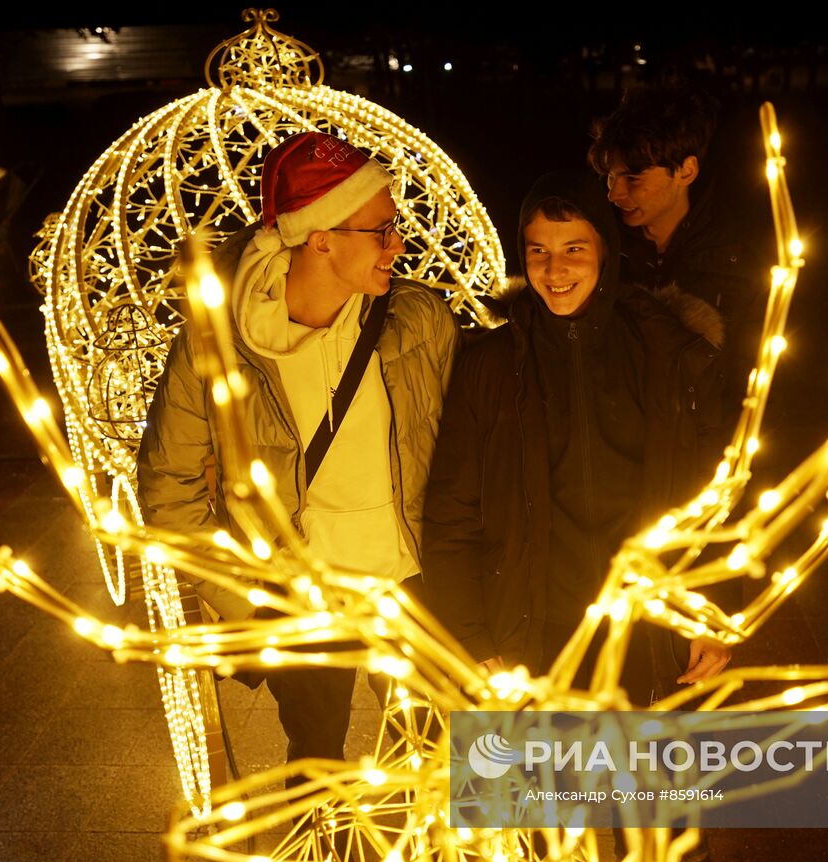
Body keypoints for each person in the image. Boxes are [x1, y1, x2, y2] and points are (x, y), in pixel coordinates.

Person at [137, 131, 459, 771]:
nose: (399, 244)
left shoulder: (418, 319)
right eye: (382, 230)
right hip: (300, 603)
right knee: (318, 761)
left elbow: (470, 449)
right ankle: (329, 861)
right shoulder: (216, 341)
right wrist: (250, 605)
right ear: (321, 238)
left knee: (435, 754)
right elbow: (167, 489)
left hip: (413, 582)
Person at [421, 171, 731, 705]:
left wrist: (712, 609)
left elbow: (714, 494)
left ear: (605, 253)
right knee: (525, 787)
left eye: (573, 249)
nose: (554, 269)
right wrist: (468, 636)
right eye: (537, 250)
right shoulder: (491, 366)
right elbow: (451, 512)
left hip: (643, 635)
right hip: (526, 635)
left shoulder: (664, 354)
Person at [588, 84, 768, 414]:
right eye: (610, 178)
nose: (614, 194)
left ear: (686, 171)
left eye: (632, 178)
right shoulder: (602, 251)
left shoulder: (737, 261)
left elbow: (755, 380)